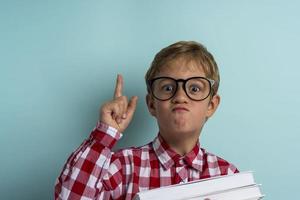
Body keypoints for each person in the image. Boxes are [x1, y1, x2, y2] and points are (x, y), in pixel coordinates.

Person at [54, 41, 239, 200]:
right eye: (168, 88)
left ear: (211, 105)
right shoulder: (122, 167)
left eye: (195, 88)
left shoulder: (229, 178)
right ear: (151, 104)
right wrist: (105, 134)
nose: (181, 96)